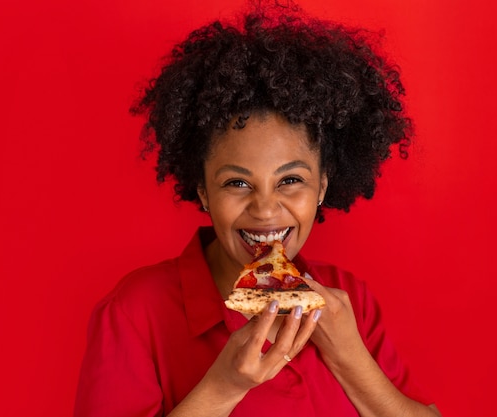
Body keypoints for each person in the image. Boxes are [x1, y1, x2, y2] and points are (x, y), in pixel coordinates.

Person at [74, 1, 442, 416]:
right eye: (237, 183)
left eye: (290, 180)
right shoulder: (134, 312)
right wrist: (223, 387)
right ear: (203, 191)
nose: (266, 210)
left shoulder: (348, 298)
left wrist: (350, 359)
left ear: (322, 186)